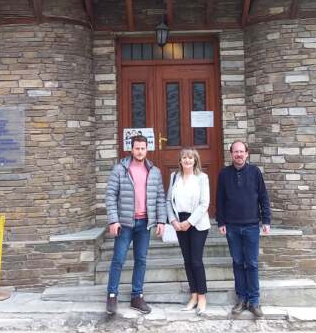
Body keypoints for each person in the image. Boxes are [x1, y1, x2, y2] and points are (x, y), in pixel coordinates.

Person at [105, 134, 166, 315]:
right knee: (118, 259)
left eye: (143, 148)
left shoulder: (154, 171)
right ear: (131, 149)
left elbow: (160, 198)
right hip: (124, 224)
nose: (140, 151)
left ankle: (136, 296)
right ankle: (112, 295)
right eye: (137, 148)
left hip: (144, 223)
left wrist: (161, 220)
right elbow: (110, 195)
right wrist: (113, 220)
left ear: (147, 149)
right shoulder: (120, 169)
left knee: (141, 260)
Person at [216, 140, 271, 318]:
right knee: (238, 263)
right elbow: (220, 200)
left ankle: (254, 301)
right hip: (232, 226)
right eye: (235, 152)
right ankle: (241, 299)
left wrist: (266, 220)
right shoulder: (224, 174)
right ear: (231, 154)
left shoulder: (255, 172)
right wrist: (221, 222)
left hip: (252, 225)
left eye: (241, 151)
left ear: (247, 154)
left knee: (252, 263)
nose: (239, 154)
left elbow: (263, 197)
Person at [166, 148, 211, 315]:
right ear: (180, 160)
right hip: (179, 222)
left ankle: (202, 296)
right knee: (187, 261)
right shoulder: (174, 177)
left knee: (196, 260)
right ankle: (193, 295)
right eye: (184, 157)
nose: (187, 160)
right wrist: (173, 220)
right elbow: (168, 201)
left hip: (197, 223)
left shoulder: (202, 178)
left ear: (195, 160)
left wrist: (190, 222)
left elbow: (204, 203)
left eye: (190, 158)